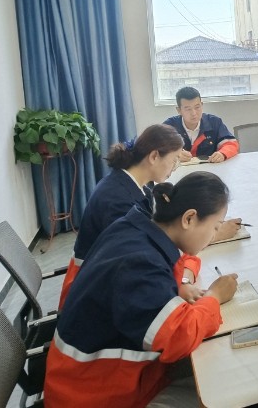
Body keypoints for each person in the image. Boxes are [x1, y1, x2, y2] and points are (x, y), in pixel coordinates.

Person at [44, 171, 238, 408]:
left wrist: (184, 280)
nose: (214, 235)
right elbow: (178, 337)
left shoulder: (138, 228)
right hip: (96, 396)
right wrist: (214, 296)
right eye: (215, 227)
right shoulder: (140, 265)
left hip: (99, 377)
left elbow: (177, 261)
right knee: (225, 389)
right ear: (189, 219)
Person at [58, 124, 240, 309]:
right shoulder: (119, 202)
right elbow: (136, 264)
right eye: (174, 160)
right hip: (92, 296)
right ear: (154, 157)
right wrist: (215, 237)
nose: (175, 167)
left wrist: (183, 277)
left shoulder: (136, 187)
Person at [164, 86, 239, 163]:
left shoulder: (214, 122)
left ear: (202, 105)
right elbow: (159, 150)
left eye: (197, 107)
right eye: (188, 109)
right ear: (179, 110)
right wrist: (175, 155)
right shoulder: (169, 127)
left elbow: (231, 143)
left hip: (209, 168)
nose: (194, 113)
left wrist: (222, 153)